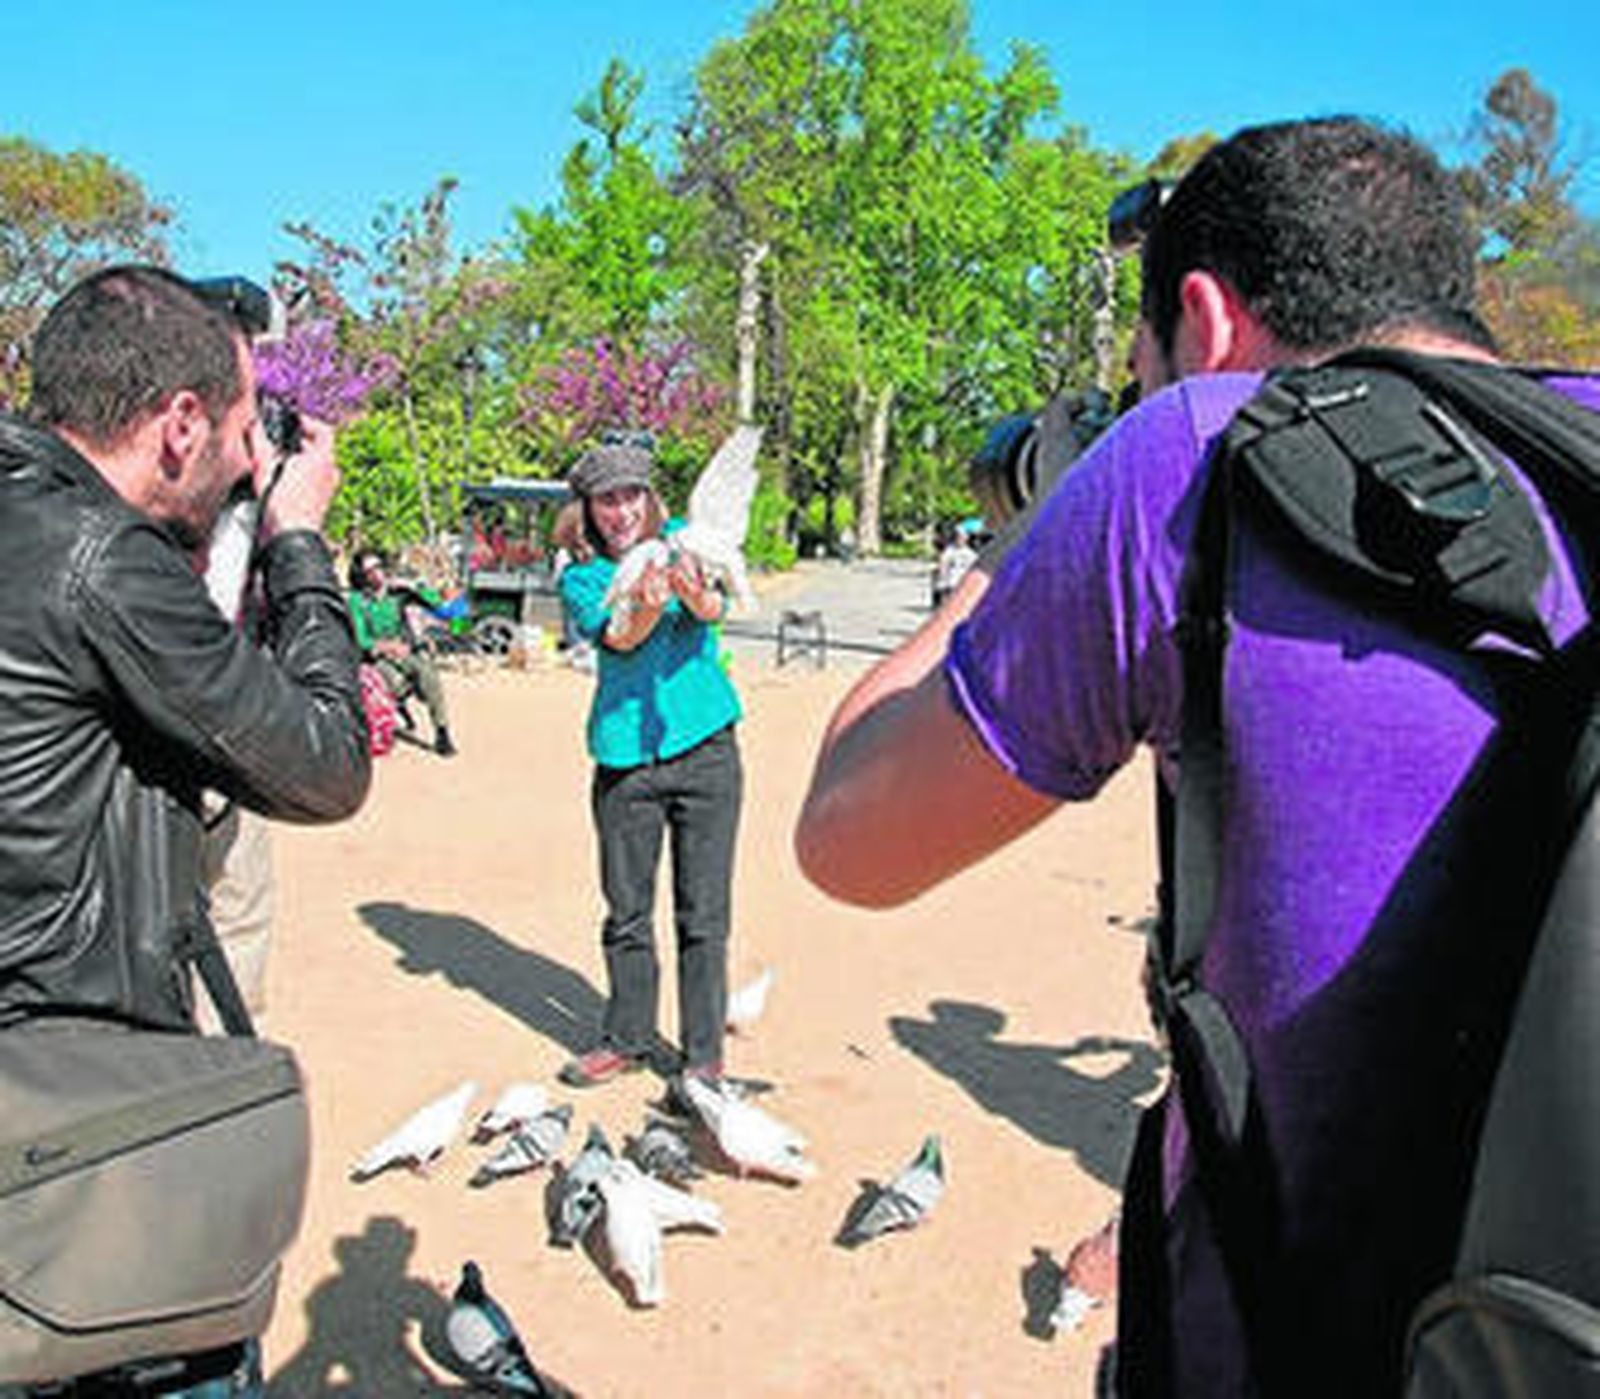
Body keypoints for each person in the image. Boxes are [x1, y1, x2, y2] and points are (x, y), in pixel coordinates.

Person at [794, 117, 1600, 1394]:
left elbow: (847, 834)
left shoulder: (1199, 449)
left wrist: (1044, 520)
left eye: (1141, 368)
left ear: (1207, 322)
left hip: (1296, 1343)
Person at [0, 265, 370, 1395]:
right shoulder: (98, 558)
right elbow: (322, 763)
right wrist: (297, 538)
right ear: (176, 425)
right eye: (240, 422)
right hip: (74, 1114)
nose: (250, 455)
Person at [556, 439, 742, 1089]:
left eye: (632, 494)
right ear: (588, 509)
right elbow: (621, 637)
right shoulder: (579, 576)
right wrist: (651, 598)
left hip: (706, 745)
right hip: (624, 758)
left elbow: (717, 609)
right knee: (627, 910)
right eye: (607, 499)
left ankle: (703, 1058)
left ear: (651, 498)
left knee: (704, 912)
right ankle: (628, 1037)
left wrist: (693, 592)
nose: (622, 509)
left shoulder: (689, 537)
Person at [346, 548, 457, 756]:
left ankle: (442, 732)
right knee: (394, 684)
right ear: (362, 576)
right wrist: (387, 647)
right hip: (376, 657)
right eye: (370, 570)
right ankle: (399, 710)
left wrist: (416, 586)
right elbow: (361, 640)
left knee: (428, 674)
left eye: (379, 567)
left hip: (404, 651)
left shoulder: (398, 594)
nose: (377, 573)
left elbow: (438, 607)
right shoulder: (357, 600)